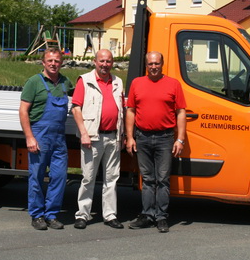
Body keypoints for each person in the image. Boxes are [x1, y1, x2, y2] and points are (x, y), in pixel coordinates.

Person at [125, 51, 186, 233]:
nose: (153, 67)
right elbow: (130, 111)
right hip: (142, 137)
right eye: (150, 64)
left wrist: (180, 139)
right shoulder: (137, 83)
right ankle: (147, 215)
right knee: (148, 179)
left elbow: (181, 112)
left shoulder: (173, 84)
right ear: (146, 65)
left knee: (163, 179)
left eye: (156, 64)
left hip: (165, 138)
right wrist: (130, 137)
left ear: (162, 64)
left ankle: (161, 217)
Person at [19, 47, 74, 231]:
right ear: (43, 62)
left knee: (59, 176)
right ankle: (37, 215)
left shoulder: (66, 82)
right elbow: (23, 111)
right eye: (50, 60)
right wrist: (29, 137)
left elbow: (79, 98)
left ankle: (51, 215)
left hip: (59, 137)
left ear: (61, 62)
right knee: (36, 176)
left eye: (57, 61)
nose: (53, 64)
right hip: (39, 135)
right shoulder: (34, 82)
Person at [71, 49, 124, 229]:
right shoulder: (85, 81)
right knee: (88, 178)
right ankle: (83, 215)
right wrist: (84, 133)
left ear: (112, 62)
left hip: (112, 137)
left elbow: (122, 110)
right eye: (101, 61)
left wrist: (122, 135)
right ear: (95, 62)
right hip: (92, 137)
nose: (105, 64)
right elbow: (76, 108)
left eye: (108, 61)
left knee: (112, 179)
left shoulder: (118, 82)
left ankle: (110, 215)